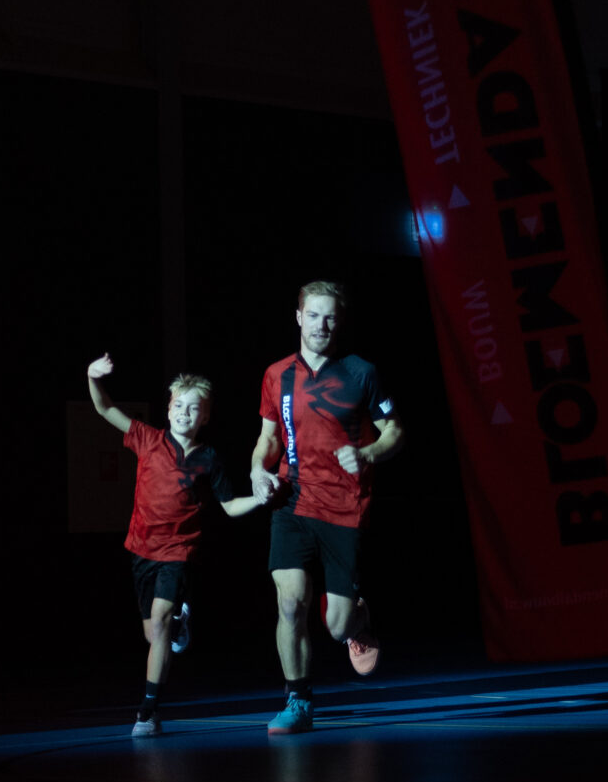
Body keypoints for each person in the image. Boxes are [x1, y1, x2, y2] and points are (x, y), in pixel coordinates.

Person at [86, 354, 272, 739]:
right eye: (179, 405)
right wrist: (93, 377)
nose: (185, 413)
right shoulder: (147, 439)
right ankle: (177, 623)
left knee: (160, 621)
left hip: (179, 552)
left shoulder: (209, 459)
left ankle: (147, 711)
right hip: (142, 550)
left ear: (206, 417)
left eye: (194, 408)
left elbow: (229, 507)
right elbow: (104, 408)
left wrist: (259, 499)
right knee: (153, 634)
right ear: (169, 408)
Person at [250, 280, 403, 737]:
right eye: (313, 315)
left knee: (336, 627)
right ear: (299, 317)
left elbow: (394, 430)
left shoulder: (361, 372)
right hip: (293, 500)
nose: (321, 325)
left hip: (345, 508)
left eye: (330, 316)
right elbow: (269, 437)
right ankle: (298, 700)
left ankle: (358, 619)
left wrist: (368, 453)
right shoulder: (277, 374)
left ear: (340, 321)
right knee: (290, 602)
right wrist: (258, 469)